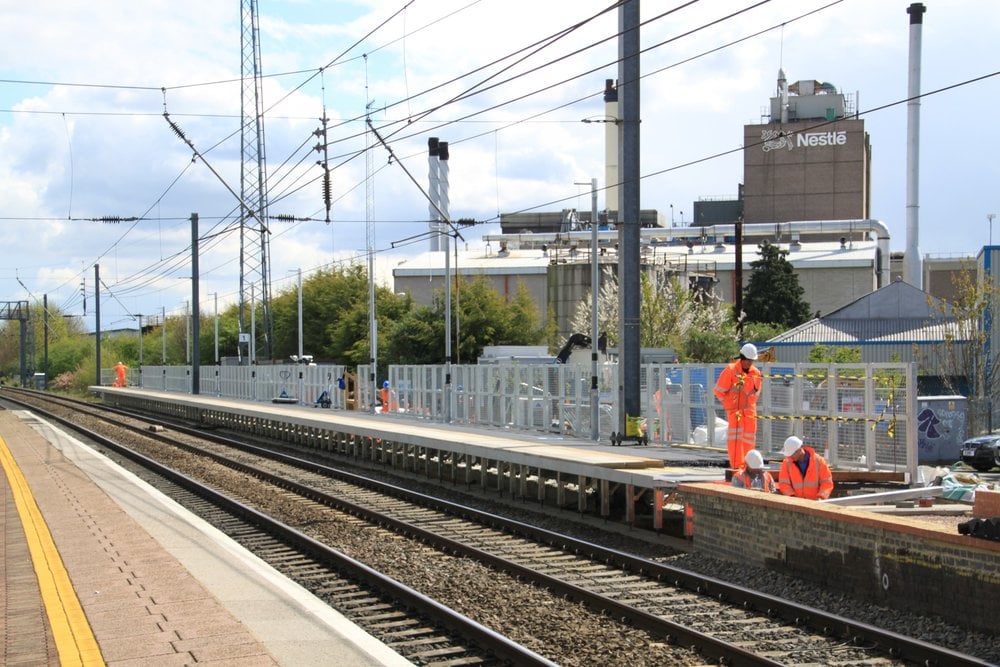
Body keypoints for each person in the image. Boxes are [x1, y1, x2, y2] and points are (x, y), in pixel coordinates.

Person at [714, 343, 763, 469]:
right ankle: (736, 466)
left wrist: (747, 404)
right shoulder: (731, 370)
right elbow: (719, 391)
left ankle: (749, 466)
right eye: (747, 360)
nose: (749, 363)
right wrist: (729, 404)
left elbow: (756, 392)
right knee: (735, 440)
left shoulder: (756, 373)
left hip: (750, 413)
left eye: (751, 360)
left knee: (749, 439)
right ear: (741, 358)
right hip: (735, 412)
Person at [778, 435, 834, 500]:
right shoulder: (787, 463)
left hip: (815, 503)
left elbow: (827, 483)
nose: (791, 457)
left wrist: (821, 497)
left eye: (793, 454)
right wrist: (792, 497)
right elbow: (783, 484)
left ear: (800, 450)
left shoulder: (819, 461)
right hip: (795, 503)